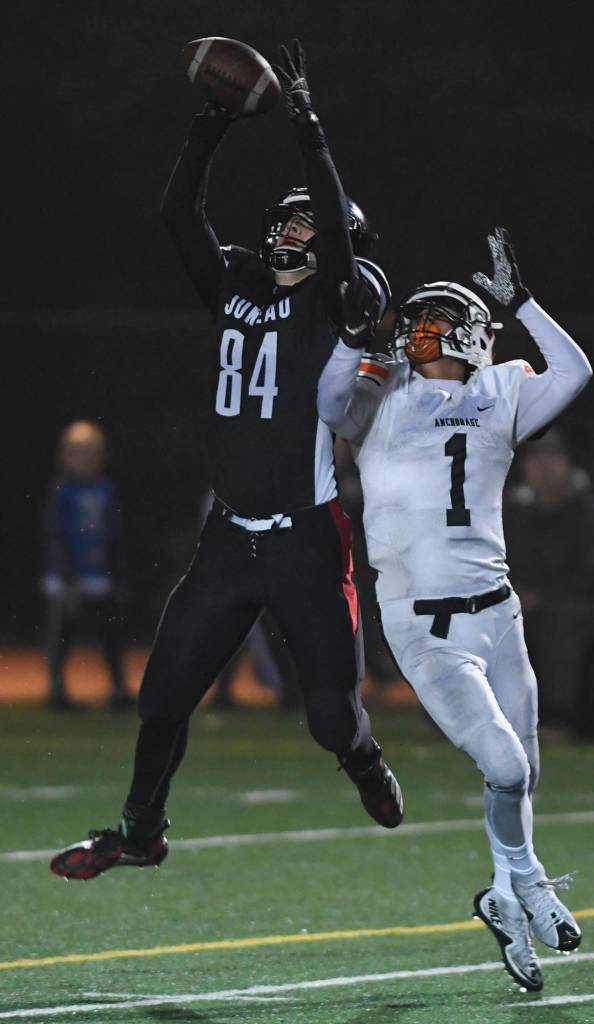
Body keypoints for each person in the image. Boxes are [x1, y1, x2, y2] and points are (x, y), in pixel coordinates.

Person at [50, 40, 402, 882]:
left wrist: (308, 127)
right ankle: (141, 830)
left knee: (327, 717)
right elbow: (178, 216)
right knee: (161, 698)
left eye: (307, 218)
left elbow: (336, 228)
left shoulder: (335, 301)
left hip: (304, 543)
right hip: (228, 539)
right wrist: (212, 125)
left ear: (332, 243)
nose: (290, 224)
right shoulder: (237, 278)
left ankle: (361, 759)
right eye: (285, 214)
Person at [317, 228, 592, 992]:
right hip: (426, 623)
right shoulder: (377, 396)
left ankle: (503, 900)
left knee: (522, 772)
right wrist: (354, 335)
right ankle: (527, 881)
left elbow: (573, 369)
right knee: (502, 765)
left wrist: (523, 302)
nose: (428, 332)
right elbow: (328, 403)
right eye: (421, 319)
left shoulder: (497, 389)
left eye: (437, 320)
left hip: (498, 615)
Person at [503, 430, 594, 726]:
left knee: (561, 621)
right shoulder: (512, 511)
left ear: (566, 464)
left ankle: (557, 714)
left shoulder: (587, 510)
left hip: (573, 604)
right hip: (518, 601)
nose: (543, 466)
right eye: (535, 459)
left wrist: (545, 596)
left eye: (551, 458)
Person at [42, 421, 132, 712]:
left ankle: (118, 687)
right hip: (70, 576)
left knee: (110, 634)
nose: (85, 459)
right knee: (63, 634)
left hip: (99, 575)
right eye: (78, 452)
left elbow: (115, 534)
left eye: (91, 452)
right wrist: (64, 571)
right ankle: (56, 688)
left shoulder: (106, 490)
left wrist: (117, 570)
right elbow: (53, 533)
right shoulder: (63, 491)